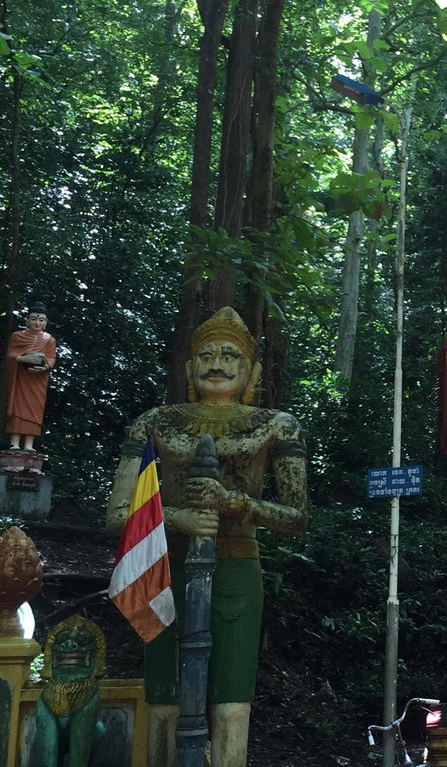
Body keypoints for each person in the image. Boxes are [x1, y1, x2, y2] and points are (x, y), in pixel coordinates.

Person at [107, 307, 307, 767]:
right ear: (188, 367)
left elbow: (296, 516)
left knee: (232, 701)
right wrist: (176, 517)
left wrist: (234, 503)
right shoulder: (155, 422)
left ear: (251, 371)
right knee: (164, 698)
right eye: (206, 355)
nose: (216, 363)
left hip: (237, 565)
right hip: (162, 565)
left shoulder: (276, 425)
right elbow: (119, 515)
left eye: (230, 355)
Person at [5, 303, 57, 451]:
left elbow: (51, 358)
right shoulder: (17, 336)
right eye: (33, 319)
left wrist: (44, 366)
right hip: (21, 378)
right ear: (27, 320)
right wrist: (22, 359)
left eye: (41, 320)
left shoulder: (49, 339)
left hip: (38, 379)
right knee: (17, 407)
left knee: (35, 409)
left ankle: (29, 444)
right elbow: (11, 354)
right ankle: (14, 442)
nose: (37, 323)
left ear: (46, 323)